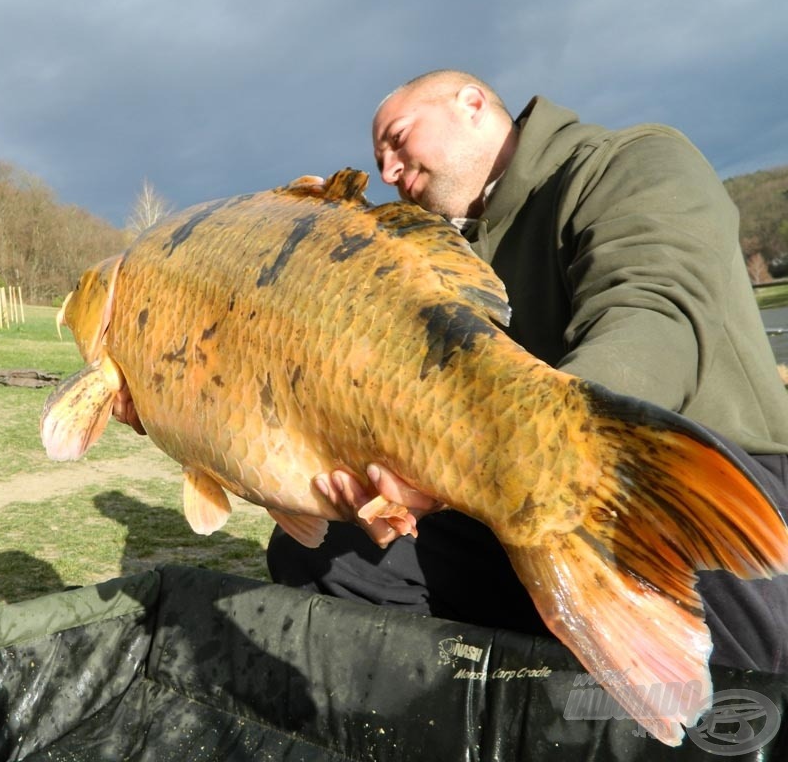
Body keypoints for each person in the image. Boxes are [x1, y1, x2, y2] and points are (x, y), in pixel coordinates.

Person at [264, 69, 788, 673]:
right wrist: (391, 481)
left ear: (472, 104)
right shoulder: (432, 256)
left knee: (739, 688)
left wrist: (531, 453)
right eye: (378, 158)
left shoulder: (631, 162)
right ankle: (484, 707)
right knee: (327, 555)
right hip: (504, 494)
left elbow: (653, 311)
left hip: (689, 470)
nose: (387, 170)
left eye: (399, 139)